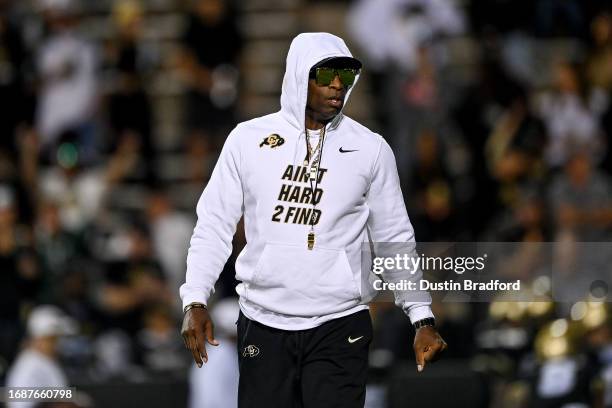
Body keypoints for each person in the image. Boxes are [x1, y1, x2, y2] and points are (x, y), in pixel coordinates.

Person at [180, 32, 447, 408]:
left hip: (341, 324)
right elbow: (213, 224)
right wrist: (194, 299)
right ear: (298, 75)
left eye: (346, 76)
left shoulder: (371, 150)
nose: (337, 85)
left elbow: (394, 237)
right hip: (263, 321)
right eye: (325, 75)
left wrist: (421, 316)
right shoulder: (247, 140)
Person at [5, 305, 75, 408]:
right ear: (40, 338)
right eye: (52, 339)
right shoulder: (33, 362)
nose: (57, 344)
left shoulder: (37, 359)